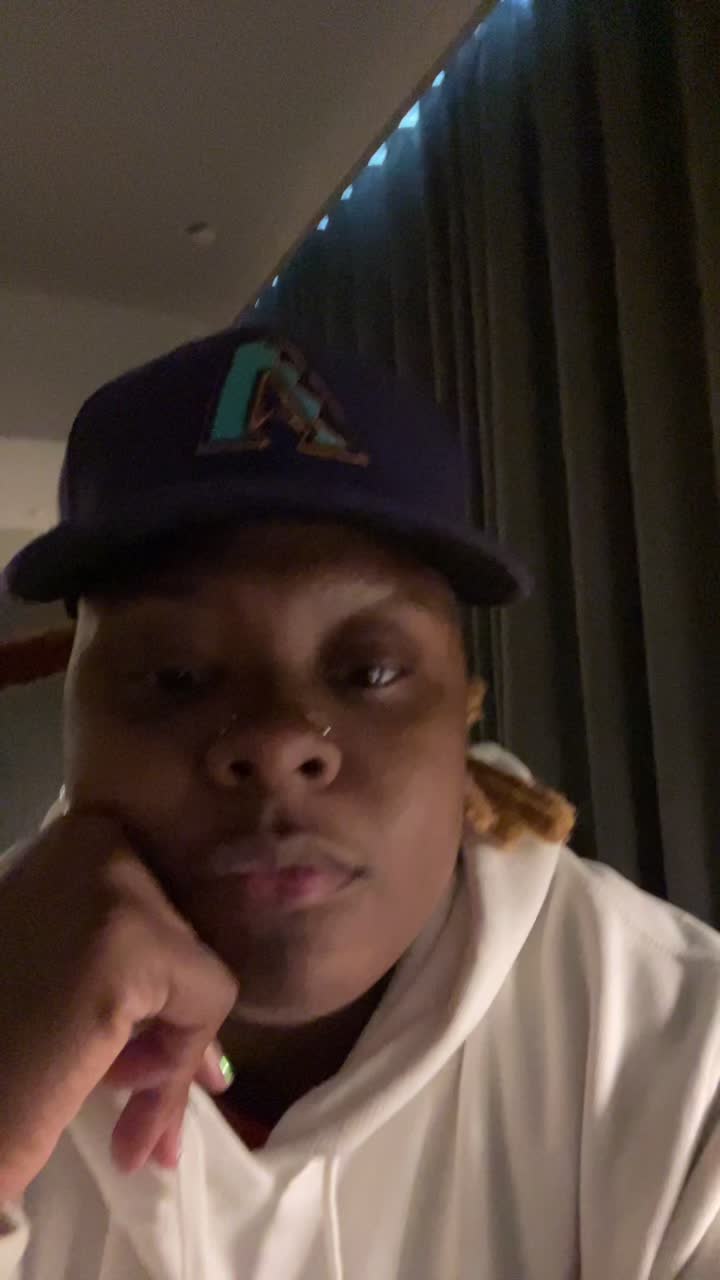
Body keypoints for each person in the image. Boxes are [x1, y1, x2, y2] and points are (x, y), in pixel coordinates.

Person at [0, 325, 718, 1280]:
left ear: (463, 710)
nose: (277, 742)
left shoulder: (684, 1053)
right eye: (176, 677)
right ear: (72, 713)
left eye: (370, 670)